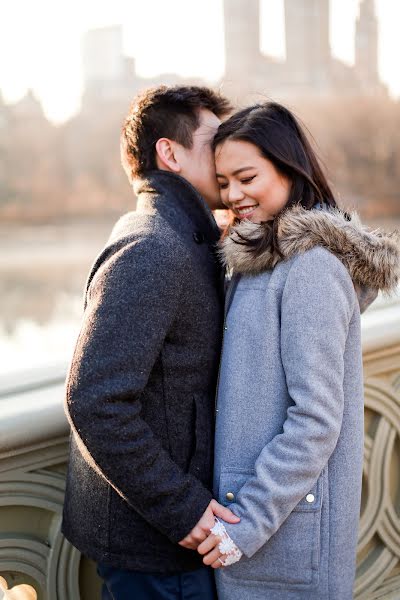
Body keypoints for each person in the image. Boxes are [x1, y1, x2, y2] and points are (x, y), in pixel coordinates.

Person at [196, 102, 400, 599]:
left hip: (282, 536)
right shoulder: (256, 261)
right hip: (258, 528)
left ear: (290, 169)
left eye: (247, 177)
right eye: (224, 182)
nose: (233, 195)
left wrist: (245, 523)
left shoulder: (310, 270)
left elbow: (316, 419)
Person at [61, 85, 240, 600]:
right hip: (159, 547)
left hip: (169, 542)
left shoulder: (186, 236)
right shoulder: (152, 246)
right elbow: (94, 400)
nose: (227, 149)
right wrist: (181, 509)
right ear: (170, 153)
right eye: (214, 140)